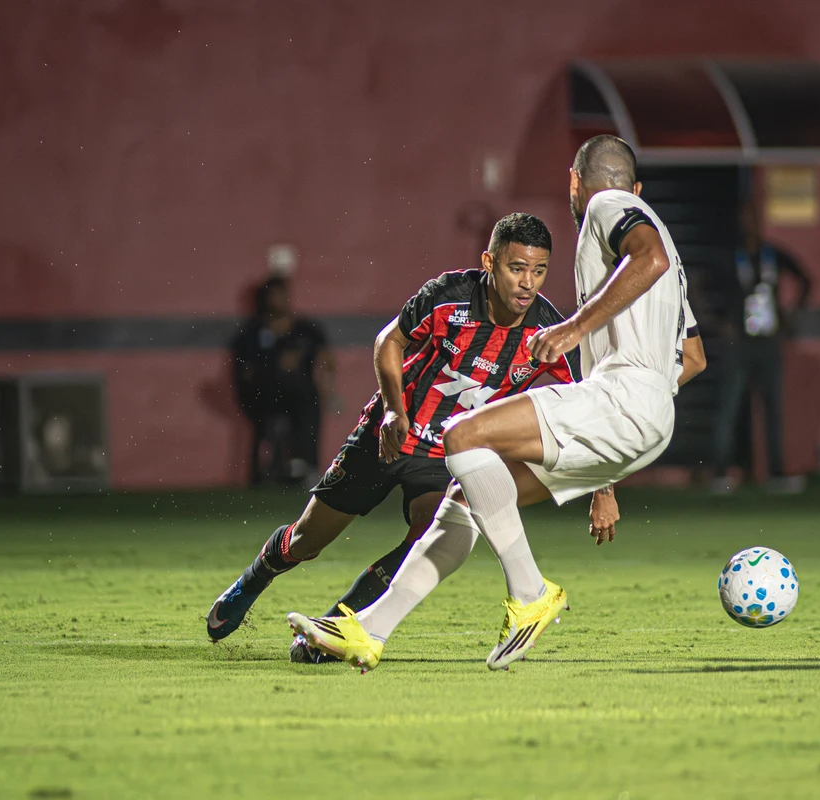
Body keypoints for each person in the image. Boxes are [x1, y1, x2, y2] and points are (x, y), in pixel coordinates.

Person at [287, 135, 706, 672]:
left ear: (576, 181)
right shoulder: (669, 257)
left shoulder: (609, 205)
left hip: (622, 396)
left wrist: (575, 330)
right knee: (463, 499)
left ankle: (530, 592)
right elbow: (692, 357)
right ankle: (369, 630)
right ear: (639, 186)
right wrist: (646, 401)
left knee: (462, 435)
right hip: (648, 416)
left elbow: (647, 256)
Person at [208, 213, 603, 662]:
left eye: (539, 270)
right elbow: (388, 342)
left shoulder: (548, 332)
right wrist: (394, 410)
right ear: (489, 262)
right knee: (307, 540)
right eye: (516, 268)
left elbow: (585, 407)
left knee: (429, 535)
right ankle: (256, 577)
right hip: (389, 434)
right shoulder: (447, 296)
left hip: (448, 454)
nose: (527, 283)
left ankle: (340, 627)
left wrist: (603, 490)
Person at [709, 200, 812, 494]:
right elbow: (697, 286)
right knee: (729, 407)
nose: (748, 225)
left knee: (773, 408)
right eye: (743, 219)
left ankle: (776, 473)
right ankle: (720, 473)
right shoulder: (728, 257)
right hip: (739, 344)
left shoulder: (772, 254)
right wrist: (717, 322)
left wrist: (792, 315)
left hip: (769, 340)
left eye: (752, 218)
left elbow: (806, 279)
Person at [232, 277, 334, 486]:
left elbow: (327, 360)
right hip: (265, 397)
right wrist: (275, 366)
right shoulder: (252, 332)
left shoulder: (305, 329)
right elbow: (245, 372)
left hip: (302, 396)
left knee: (308, 399)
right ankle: (269, 471)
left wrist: (328, 388)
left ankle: (307, 467)